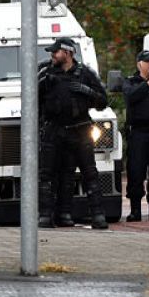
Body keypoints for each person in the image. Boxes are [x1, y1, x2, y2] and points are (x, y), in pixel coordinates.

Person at [37, 36, 109, 229]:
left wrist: (87, 91)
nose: (52, 55)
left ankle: (97, 215)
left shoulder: (85, 74)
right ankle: (46, 215)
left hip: (80, 129)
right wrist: (42, 83)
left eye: (56, 51)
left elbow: (103, 101)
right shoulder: (45, 72)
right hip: (54, 129)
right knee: (47, 174)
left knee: (89, 173)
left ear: (67, 53)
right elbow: (31, 100)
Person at [121, 50, 149, 221]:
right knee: (136, 171)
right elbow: (131, 97)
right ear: (139, 64)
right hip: (138, 132)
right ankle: (135, 210)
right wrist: (148, 85)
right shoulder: (130, 82)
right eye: (148, 61)